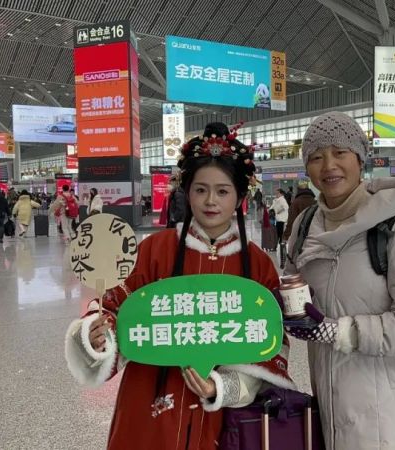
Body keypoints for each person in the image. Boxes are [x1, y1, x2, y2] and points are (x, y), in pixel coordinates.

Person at [64, 122, 294, 449]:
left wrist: (223, 387)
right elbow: (114, 307)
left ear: (240, 197)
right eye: (200, 190)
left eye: (223, 191)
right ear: (187, 192)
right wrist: (97, 334)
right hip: (149, 403)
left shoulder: (257, 265)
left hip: (223, 420)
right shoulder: (154, 251)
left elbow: (271, 341)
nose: (210, 201)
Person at [282, 111, 395, 450]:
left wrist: (338, 331)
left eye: (340, 152)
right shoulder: (305, 225)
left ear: (360, 159)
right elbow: (294, 290)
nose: (329, 165)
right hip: (330, 399)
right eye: (316, 157)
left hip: (392, 410)